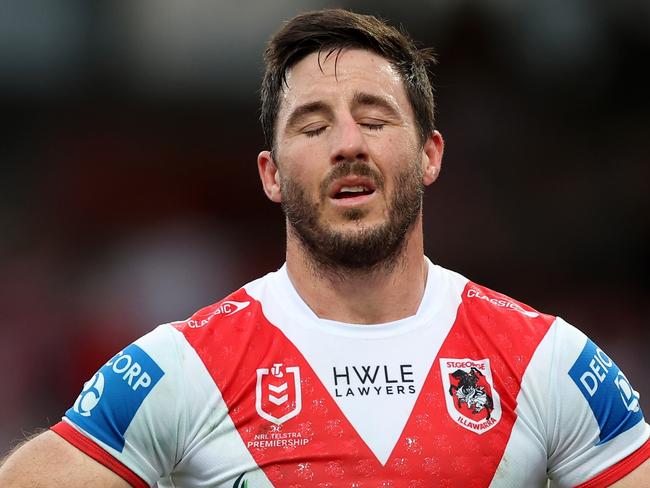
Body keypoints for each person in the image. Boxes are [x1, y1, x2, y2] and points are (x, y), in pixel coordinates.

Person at [1, 9, 648, 488]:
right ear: (271, 173)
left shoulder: (545, 361)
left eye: (374, 118)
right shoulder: (187, 366)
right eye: (313, 125)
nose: (348, 144)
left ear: (430, 155)